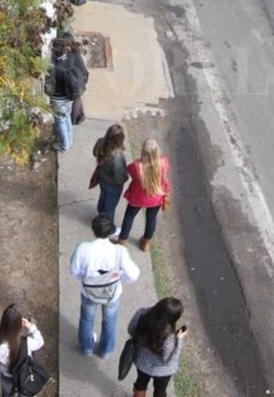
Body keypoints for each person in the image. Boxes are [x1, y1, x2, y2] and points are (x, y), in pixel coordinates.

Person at [69, 213, 140, 358]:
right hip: (112, 294)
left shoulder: (83, 248)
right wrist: (120, 278)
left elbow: (74, 270)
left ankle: (86, 348)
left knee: (86, 319)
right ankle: (106, 351)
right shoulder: (119, 251)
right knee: (110, 322)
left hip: (88, 292)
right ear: (111, 231)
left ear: (94, 230)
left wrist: (84, 279)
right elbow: (134, 274)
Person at [127, 297, 187, 397]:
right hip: (162, 372)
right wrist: (179, 339)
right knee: (160, 392)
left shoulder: (142, 314)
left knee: (140, 385)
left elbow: (131, 330)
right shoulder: (169, 335)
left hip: (142, 363)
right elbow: (168, 359)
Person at [117, 139, 170, 251]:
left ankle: (122, 240)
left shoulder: (137, 166)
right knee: (151, 219)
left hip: (138, 197)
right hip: (156, 196)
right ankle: (146, 242)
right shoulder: (164, 163)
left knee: (129, 216)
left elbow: (129, 170)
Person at [0, 304, 44, 397]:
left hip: (7, 376)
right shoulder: (27, 343)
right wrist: (31, 327)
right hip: (23, 376)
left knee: (6, 393)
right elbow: (40, 342)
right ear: (19, 325)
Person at [46, 38, 85, 152]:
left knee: (60, 121)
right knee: (66, 116)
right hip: (69, 97)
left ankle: (64, 146)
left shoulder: (55, 67)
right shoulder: (71, 57)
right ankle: (69, 140)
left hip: (58, 99)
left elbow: (49, 86)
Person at [92, 124, 129, 230]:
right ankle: (109, 228)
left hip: (102, 179)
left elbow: (94, 153)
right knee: (110, 206)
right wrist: (125, 177)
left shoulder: (100, 142)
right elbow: (119, 177)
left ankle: (100, 214)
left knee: (103, 197)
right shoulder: (117, 157)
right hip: (114, 185)